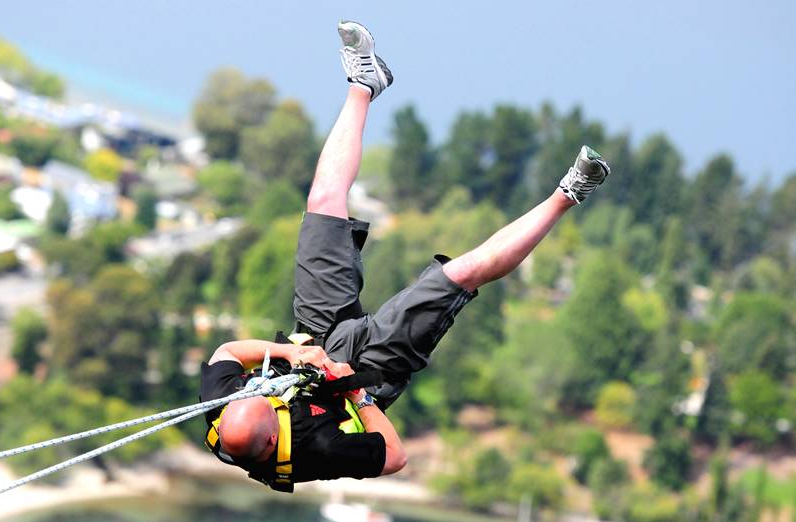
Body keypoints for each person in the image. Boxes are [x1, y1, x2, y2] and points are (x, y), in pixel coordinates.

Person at [200, 20, 610, 490]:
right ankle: (572, 191)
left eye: (250, 396)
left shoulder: (220, 409)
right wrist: (353, 388)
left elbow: (226, 352)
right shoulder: (318, 450)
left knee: (322, 204)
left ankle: (363, 83)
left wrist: (291, 357)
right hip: (364, 376)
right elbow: (394, 457)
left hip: (310, 338)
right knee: (460, 274)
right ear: (272, 441)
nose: (261, 396)